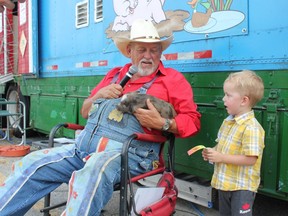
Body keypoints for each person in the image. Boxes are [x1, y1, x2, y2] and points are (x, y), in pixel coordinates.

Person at [0, 19, 200, 216]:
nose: (148, 56)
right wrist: (98, 95)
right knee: (32, 162)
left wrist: (162, 123)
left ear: (160, 52)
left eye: (154, 50)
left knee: (95, 169)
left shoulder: (172, 80)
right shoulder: (114, 75)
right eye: (141, 50)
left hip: (130, 156)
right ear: (129, 51)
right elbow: (86, 112)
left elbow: (192, 121)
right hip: (83, 150)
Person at [202, 70, 265, 216]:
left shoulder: (252, 127)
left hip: (241, 188)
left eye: (228, 95)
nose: (223, 99)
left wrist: (221, 158)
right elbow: (221, 145)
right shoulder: (228, 121)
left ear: (244, 100)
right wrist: (213, 152)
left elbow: (251, 159)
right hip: (225, 184)